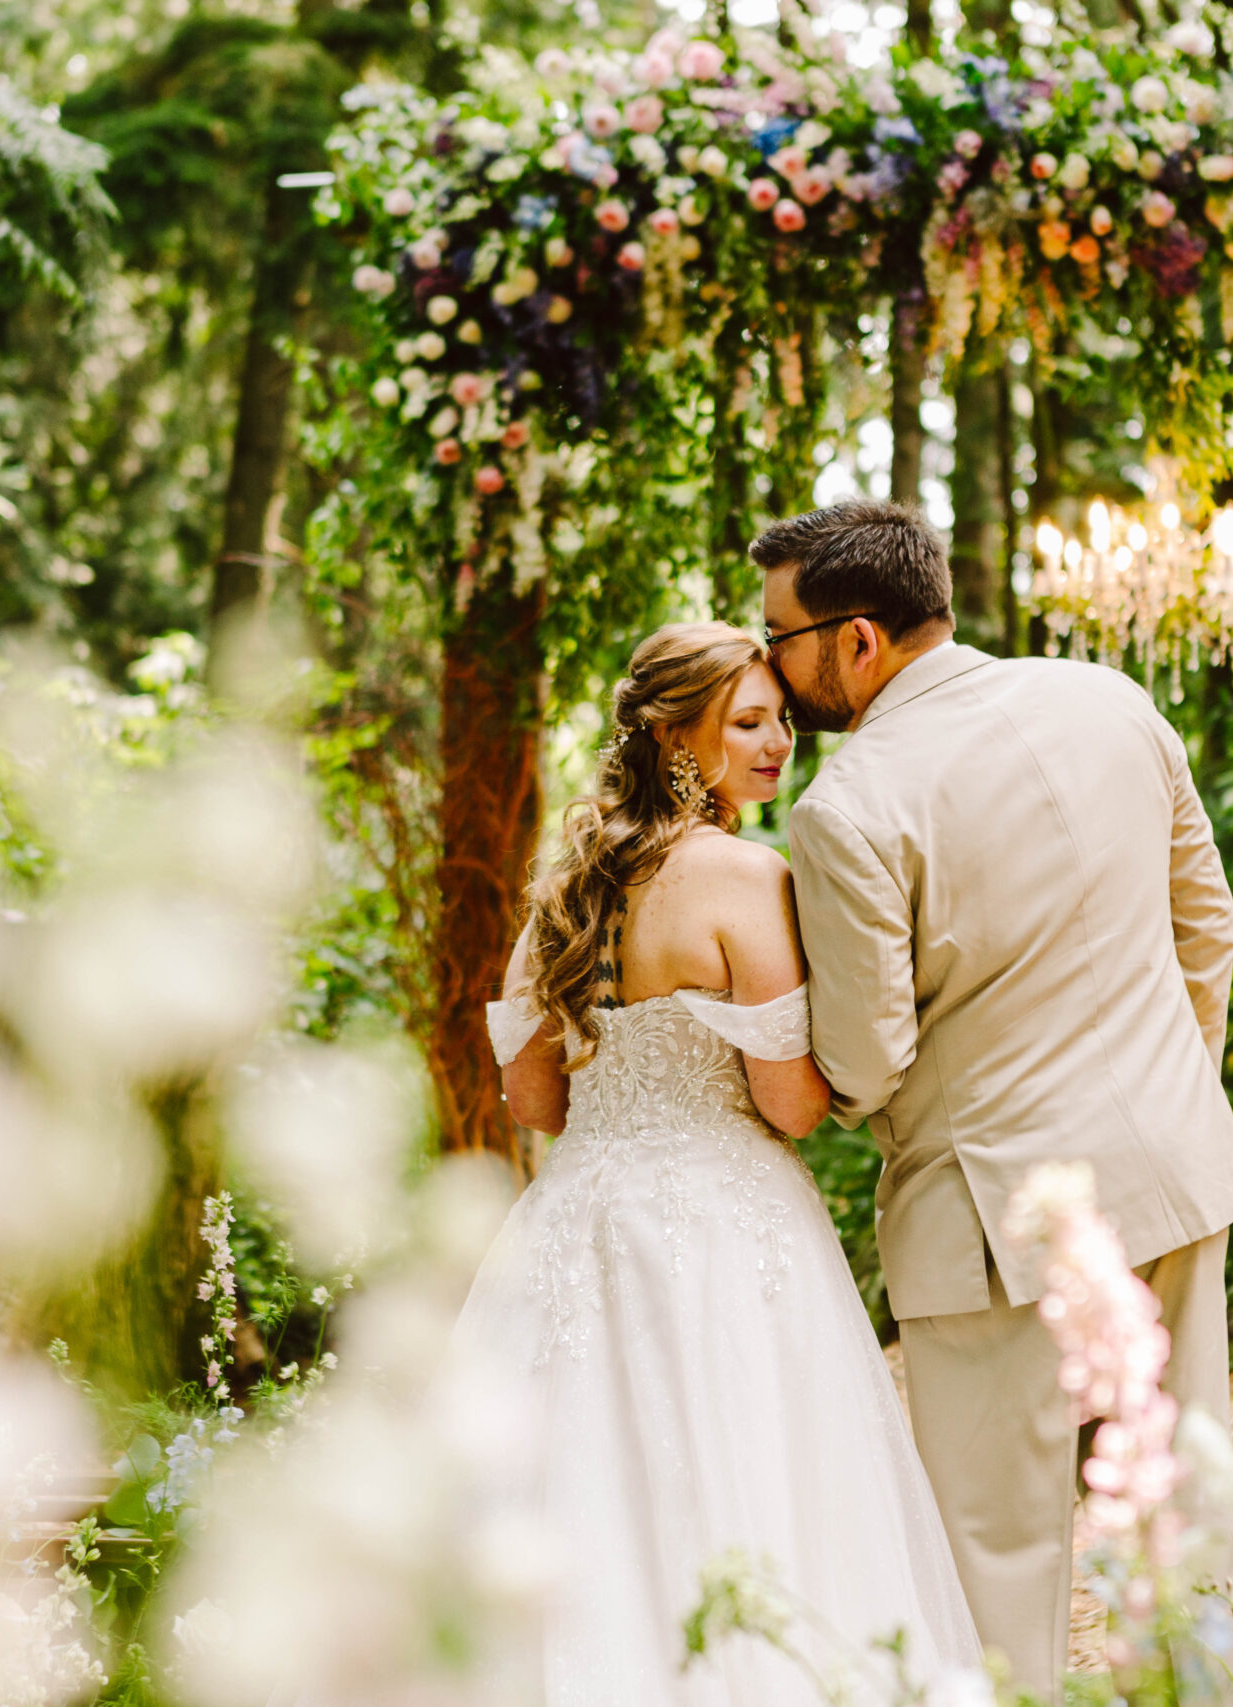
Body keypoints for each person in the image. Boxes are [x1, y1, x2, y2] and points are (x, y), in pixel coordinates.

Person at [753, 499, 1233, 1696]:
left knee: (995, 1571)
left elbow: (865, 1057)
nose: (769, 662)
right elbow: (1205, 929)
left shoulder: (845, 809)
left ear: (857, 640)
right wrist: (1166, 1098)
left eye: (779, 637)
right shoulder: (1111, 703)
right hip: (1173, 1178)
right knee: (1182, 1527)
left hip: (988, 1228)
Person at [465, 620, 984, 1703]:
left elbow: (534, 1100)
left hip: (573, 1221)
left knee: (579, 1485)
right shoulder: (749, 876)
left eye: (782, 720)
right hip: (722, 1223)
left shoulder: (563, 888)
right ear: (673, 738)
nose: (778, 743)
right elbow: (790, 1104)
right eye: (748, 722)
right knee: (747, 1475)